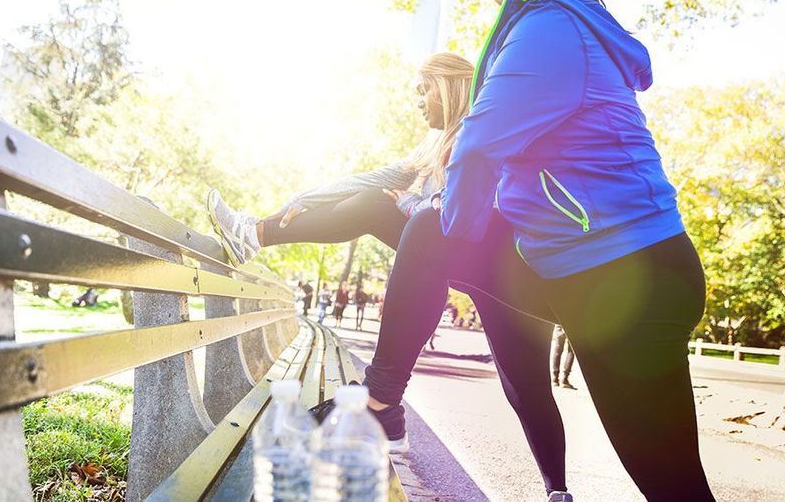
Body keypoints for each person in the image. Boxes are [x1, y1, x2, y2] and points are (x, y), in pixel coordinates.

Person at [358, 0, 714, 501]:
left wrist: (463, 239)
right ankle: (378, 404)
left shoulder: (548, 24)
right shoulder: (553, 24)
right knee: (673, 485)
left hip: (628, 273)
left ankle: (378, 406)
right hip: (591, 270)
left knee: (674, 487)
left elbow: (476, 147)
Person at [206, 53, 570, 495]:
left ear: (450, 86)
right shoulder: (432, 147)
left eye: (424, 89)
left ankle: (557, 491)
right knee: (377, 205)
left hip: (509, 274)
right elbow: (370, 181)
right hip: (456, 254)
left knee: (527, 391)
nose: (417, 100)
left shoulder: (485, 128)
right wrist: (306, 198)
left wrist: (411, 205)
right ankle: (255, 234)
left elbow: (458, 212)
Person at [550, 325, 575, 389]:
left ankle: (555, 379)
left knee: (558, 350)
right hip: (573, 322)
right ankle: (564, 379)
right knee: (571, 350)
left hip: (560, 323)